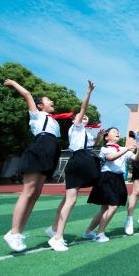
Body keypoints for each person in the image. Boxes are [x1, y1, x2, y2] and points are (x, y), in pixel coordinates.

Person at [2, 79, 65, 252]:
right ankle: (13, 232)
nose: (52, 102)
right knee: (28, 191)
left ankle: (18, 232)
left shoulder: (54, 121)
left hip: (51, 152)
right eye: (48, 100)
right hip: (40, 149)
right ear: (39, 105)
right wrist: (13, 83)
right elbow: (27, 94)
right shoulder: (36, 115)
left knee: (35, 195)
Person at [46, 80, 97, 251]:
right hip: (77, 160)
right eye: (81, 116)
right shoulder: (75, 127)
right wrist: (88, 92)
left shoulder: (86, 132)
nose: (84, 116)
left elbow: (90, 147)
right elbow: (83, 108)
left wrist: (99, 137)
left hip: (85, 159)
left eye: (86, 117)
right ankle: (57, 237)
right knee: (71, 200)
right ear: (75, 119)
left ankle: (54, 229)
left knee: (69, 199)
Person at [84, 128, 139, 242]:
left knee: (104, 209)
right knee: (113, 206)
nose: (117, 133)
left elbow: (136, 158)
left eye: (117, 131)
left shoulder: (122, 149)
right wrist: (126, 149)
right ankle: (99, 233)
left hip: (118, 178)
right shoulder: (105, 148)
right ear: (106, 137)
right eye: (114, 131)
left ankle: (88, 232)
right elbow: (111, 158)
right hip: (106, 178)